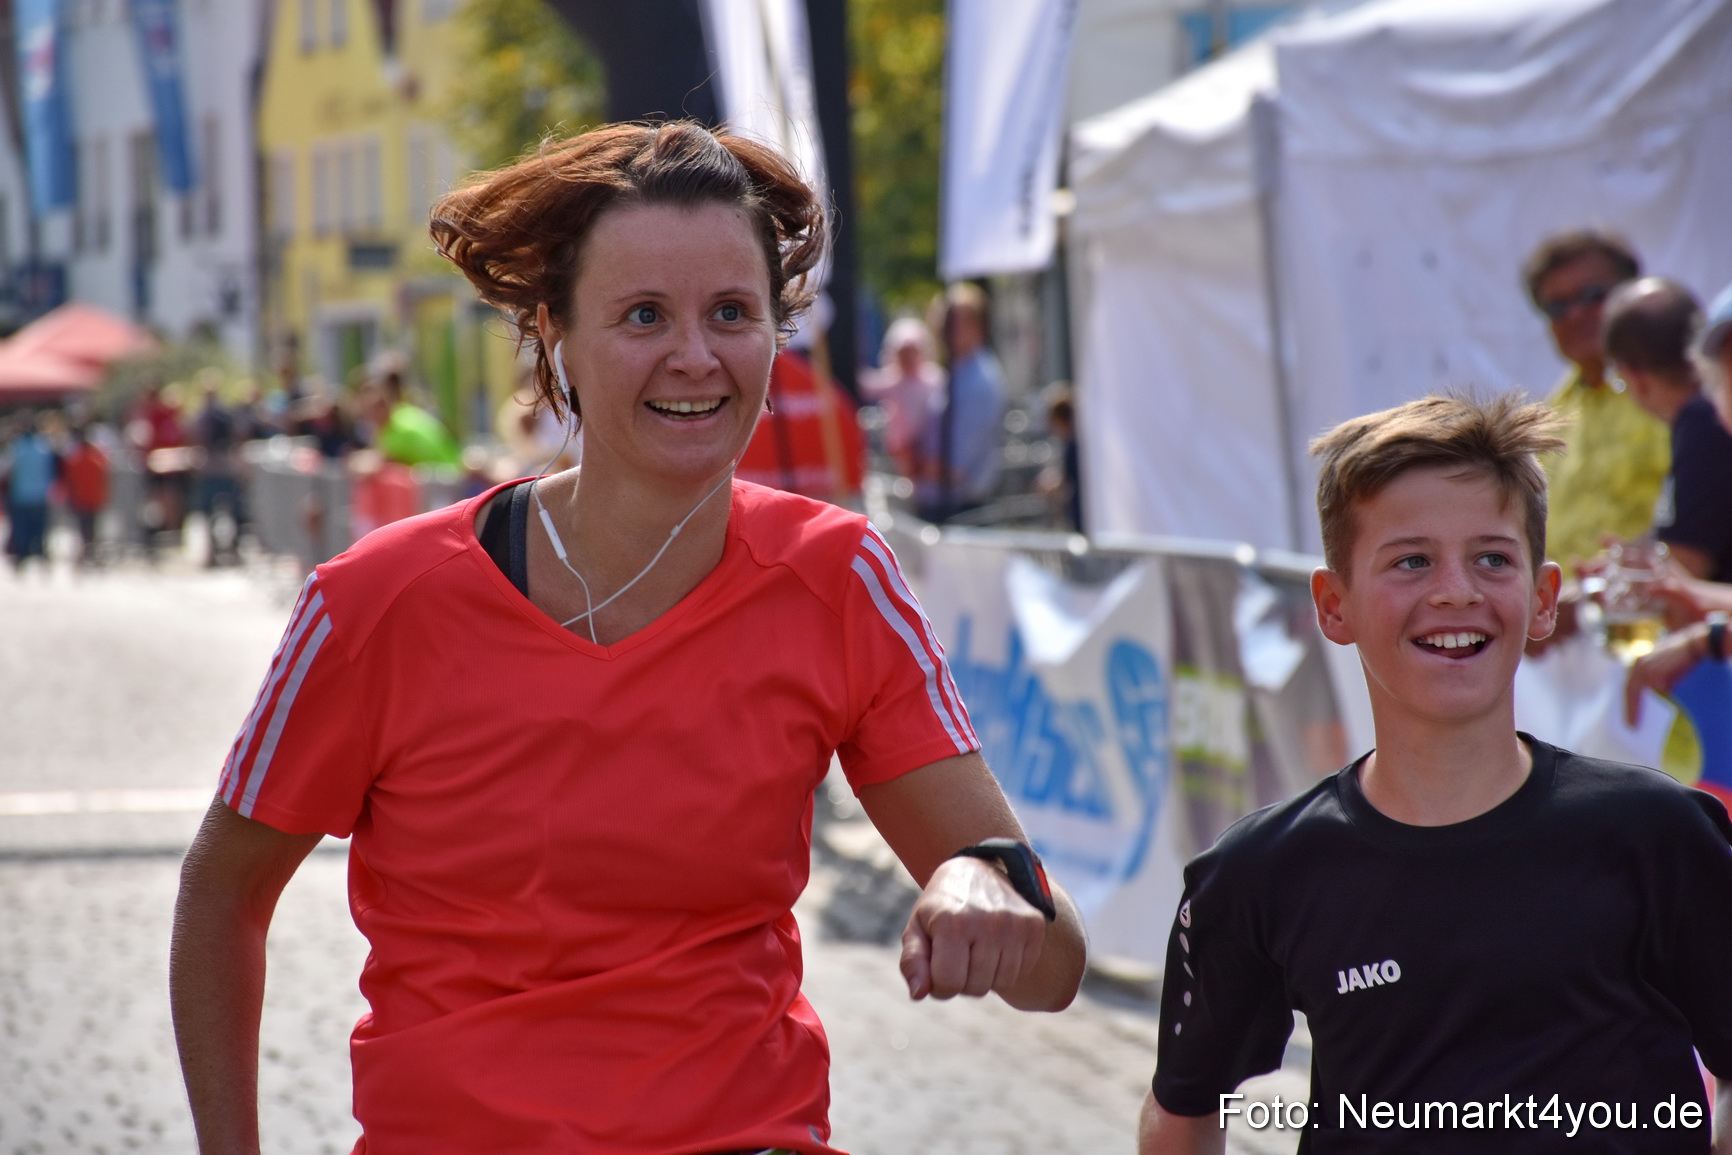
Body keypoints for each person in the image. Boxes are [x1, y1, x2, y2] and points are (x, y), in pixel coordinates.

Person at [171, 122, 1086, 1155]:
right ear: (555, 332)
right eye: (643, 314)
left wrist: (986, 880)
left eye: (732, 313)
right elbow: (224, 888)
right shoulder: (378, 599)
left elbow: (1056, 969)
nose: (694, 356)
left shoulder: (837, 578)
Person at [1137, 393, 1732, 1154]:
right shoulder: (1260, 871)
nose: (1456, 590)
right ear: (1333, 605)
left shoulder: (1655, 833)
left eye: (1492, 557)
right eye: (1411, 560)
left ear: (1543, 599)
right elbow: (1181, 1113)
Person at [1522, 230, 1669, 570]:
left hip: (1649, 609)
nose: (1575, 314)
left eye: (1592, 295)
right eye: (1556, 306)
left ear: (1635, 295)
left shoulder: (1676, 388)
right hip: (1558, 614)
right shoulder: (1549, 414)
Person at [1602, 277, 1732, 583]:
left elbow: (1686, 565)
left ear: (1634, 376)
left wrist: (1617, 573)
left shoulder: (1702, 421)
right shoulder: (1700, 419)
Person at [919, 283, 1005, 522]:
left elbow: (956, 468)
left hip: (962, 513)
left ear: (978, 326)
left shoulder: (979, 381)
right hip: (948, 508)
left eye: (954, 322)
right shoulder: (958, 372)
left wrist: (913, 464)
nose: (943, 329)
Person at [863, 316, 942, 481]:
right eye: (902, 353)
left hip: (928, 445)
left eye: (911, 352)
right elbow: (865, 385)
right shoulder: (891, 379)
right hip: (901, 449)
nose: (907, 358)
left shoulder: (934, 379)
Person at [3, 411, 59, 572]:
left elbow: (6, 469)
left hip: (21, 495)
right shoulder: (44, 447)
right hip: (41, 495)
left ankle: (22, 558)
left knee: (22, 530)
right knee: (39, 530)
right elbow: (53, 470)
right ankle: (42, 560)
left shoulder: (17, 448)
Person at [61, 424, 111, 568]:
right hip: (94, 499)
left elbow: (69, 480)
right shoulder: (97, 458)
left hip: (81, 499)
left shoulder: (75, 459)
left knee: (83, 529)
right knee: (92, 529)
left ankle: (86, 555)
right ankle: (91, 555)